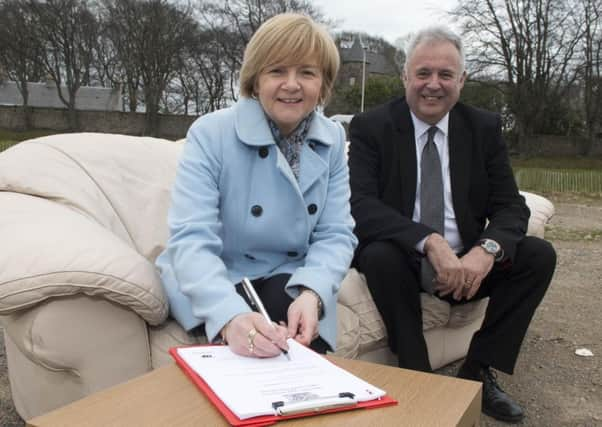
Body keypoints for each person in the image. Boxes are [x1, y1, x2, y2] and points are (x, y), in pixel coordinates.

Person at [348, 26, 556, 423]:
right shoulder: (371, 127)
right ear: (405, 77)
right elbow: (360, 206)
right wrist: (429, 242)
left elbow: (511, 207)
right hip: (404, 259)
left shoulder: (482, 128)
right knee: (377, 255)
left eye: (445, 75)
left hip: (468, 263)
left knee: (538, 255)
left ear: (461, 81)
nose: (433, 85)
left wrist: (485, 251)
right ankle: (418, 374)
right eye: (423, 73)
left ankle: (478, 370)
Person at [156, 13, 357, 359]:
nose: (292, 84)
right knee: (256, 348)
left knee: (301, 346)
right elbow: (191, 240)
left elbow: (336, 234)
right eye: (277, 71)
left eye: (306, 72)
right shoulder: (210, 133)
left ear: (322, 84)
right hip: (221, 270)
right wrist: (229, 316)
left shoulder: (334, 138)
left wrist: (313, 294)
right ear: (255, 79)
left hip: (288, 273)